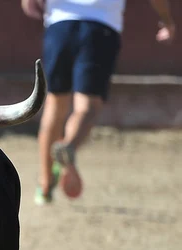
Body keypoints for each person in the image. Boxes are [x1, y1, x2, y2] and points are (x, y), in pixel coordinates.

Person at [21, 0, 176, 204]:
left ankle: (45, 184)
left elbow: (29, 4)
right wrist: (167, 20)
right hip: (100, 28)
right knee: (87, 106)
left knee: (55, 104)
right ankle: (68, 146)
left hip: (59, 26)